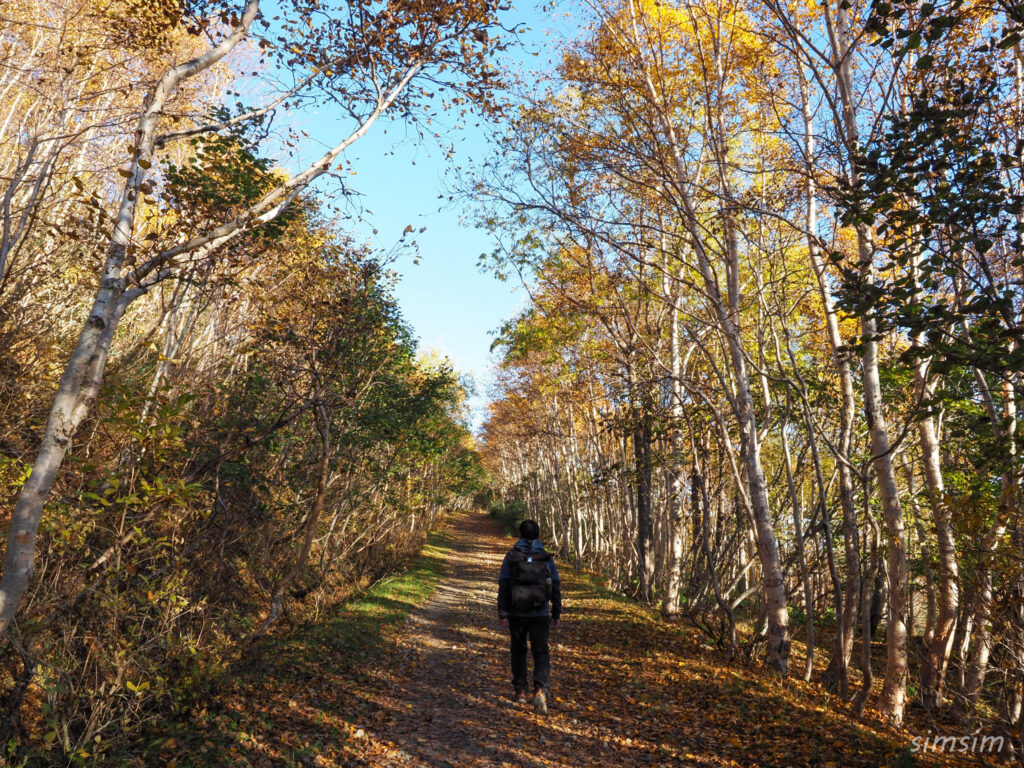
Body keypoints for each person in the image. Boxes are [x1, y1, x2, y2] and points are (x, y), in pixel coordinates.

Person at [497, 519, 562, 715]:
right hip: (540, 612)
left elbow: (504, 584)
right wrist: (556, 612)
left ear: (519, 535)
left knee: (518, 651)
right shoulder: (545, 557)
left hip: (517, 612)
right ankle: (541, 690)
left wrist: (503, 612)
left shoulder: (512, 556)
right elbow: (556, 584)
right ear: (539, 535)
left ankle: (520, 692)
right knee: (541, 652)